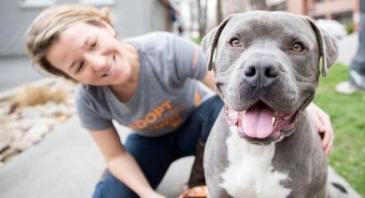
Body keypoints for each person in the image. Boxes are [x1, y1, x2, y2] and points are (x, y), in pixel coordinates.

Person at [26, 5, 334, 198]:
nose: (97, 62)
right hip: (152, 141)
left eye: (92, 44)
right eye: (78, 66)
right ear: (69, 77)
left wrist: (302, 107)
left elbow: (232, 87)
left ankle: (204, 180)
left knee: (222, 105)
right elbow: (116, 157)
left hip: (198, 124)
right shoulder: (88, 100)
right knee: (109, 194)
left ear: (104, 26)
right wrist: (148, 194)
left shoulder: (164, 49)